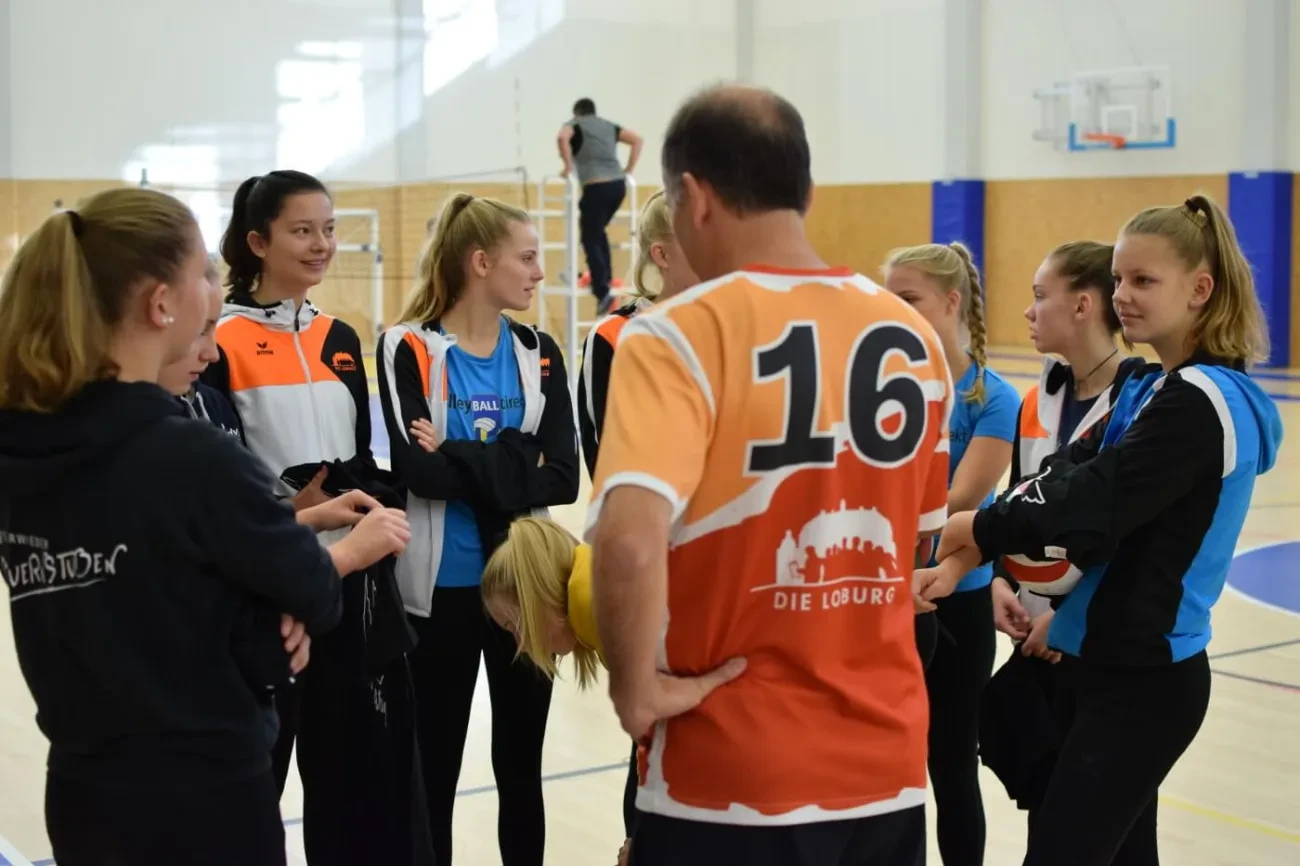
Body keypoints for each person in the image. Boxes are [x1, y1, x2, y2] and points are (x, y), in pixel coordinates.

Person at [587, 83, 953, 866]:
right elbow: (916, 550)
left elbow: (627, 542)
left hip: (728, 773)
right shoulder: (915, 338)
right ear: (807, 192)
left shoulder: (673, 335)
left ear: (693, 199)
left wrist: (633, 691)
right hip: (887, 772)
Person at [0, 189, 409, 866]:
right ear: (161, 303)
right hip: (204, 798)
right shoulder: (189, 455)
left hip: (82, 797)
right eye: (203, 271)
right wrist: (322, 572)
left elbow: (147, 586)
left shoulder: (25, 452)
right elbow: (309, 592)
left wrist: (252, 608)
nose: (216, 285)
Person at [918, 194, 1283, 866]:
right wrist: (968, 554)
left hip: (1144, 678)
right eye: (1118, 279)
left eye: (1144, 280)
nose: (1123, 296)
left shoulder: (1202, 403)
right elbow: (1057, 475)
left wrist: (975, 527)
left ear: (1200, 290)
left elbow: (1089, 503)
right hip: (1102, 664)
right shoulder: (1150, 388)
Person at [376, 193, 581, 866]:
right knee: (432, 772)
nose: (539, 272)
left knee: (522, 770)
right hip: (441, 594)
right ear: (481, 262)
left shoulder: (540, 352)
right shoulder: (406, 347)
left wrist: (457, 453)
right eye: (528, 258)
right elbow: (419, 474)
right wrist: (517, 458)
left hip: (528, 586)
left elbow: (564, 478)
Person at [977, 240, 1145, 837]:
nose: (1028, 311)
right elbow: (1016, 505)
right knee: (1045, 815)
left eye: (1039, 295)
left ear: (1082, 306)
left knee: (1120, 832)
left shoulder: (1141, 402)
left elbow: (1137, 539)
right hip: (1033, 642)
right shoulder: (1037, 399)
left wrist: (1071, 620)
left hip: (1102, 650)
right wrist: (999, 579)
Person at [883, 242, 1019, 866]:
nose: (893, 309)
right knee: (889, 765)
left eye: (907, 298)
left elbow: (960, 502)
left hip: (957, 600)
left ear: (950, 301)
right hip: (888, 600)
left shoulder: (993, 398)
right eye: (888, 297)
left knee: (952, 764)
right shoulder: (882, 387)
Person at [556, 97, 643, 315]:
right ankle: (604, 279)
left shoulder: (575, 124)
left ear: (577, 113)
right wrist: (629, 170)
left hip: (596, 187)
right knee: (596, 232)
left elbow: (562, 137)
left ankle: (602, 290)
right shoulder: (609, 126)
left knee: (589, 237)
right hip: (618, 186)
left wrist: (567, 166)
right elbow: (637, 140)